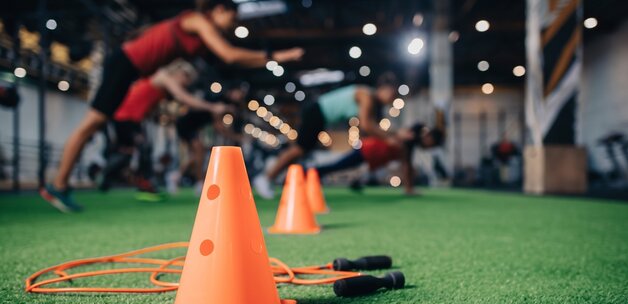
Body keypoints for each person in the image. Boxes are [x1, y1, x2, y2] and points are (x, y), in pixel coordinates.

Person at [41, 0, 303, 212]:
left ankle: (61, 184)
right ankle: (59, 185)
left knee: (94, 127)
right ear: (219, 9)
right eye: (231, 19)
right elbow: (229, 55)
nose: (230, 26)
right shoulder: (199, 20)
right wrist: (276, 56)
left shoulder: (194, 32)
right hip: (124, 65)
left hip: (130, 69)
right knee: (90, 125)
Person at [96, 60, 229, 200]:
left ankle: (108, 178)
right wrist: (212, 107)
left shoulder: (161, 84)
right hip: (125, 116)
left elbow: (150, 103)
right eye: (186, 78)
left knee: (130, 151)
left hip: (132, 118)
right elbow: (183, 97)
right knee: (142, 150)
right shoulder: (163, 76)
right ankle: (139, 185)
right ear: (180, 72)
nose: (186, 83)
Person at [253, 74, 400, 199]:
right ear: (384, 89)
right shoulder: (366, 95)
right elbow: (367, 125)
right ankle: (265, 178)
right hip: (316, 111)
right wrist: (391, 137)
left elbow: (369, 127)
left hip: (320, 115)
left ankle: (273, 179)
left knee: (301, 150)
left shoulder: (372, 102)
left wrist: (390, 135)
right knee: (299, 149)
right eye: (392, 95)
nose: (391, 99)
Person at [313, 123, 445, 195]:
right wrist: (409, 189)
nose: (429, 147)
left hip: (376, 156)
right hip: (370, 150)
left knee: (344, 167)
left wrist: (409, 188)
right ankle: (310, 173)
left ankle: (354, 182)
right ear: (430, 138)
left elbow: (407, 165)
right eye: (431, 144)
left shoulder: (412, 143)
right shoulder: (412, 135)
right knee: (339, 166)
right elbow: (406, 165)